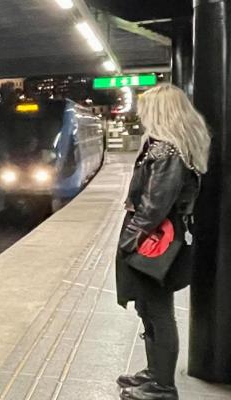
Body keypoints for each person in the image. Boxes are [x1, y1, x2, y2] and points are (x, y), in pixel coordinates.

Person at [115, 84, 210, 400]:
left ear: (159, 112)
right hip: (157, 239)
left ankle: (162, 385)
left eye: (146, 109)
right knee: (149, 307)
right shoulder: (169, 148)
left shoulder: (167, 152)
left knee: (157, 311)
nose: (141, 115)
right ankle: (154, 373)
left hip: (156, 242)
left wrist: (129, 241)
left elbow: (154, 207)